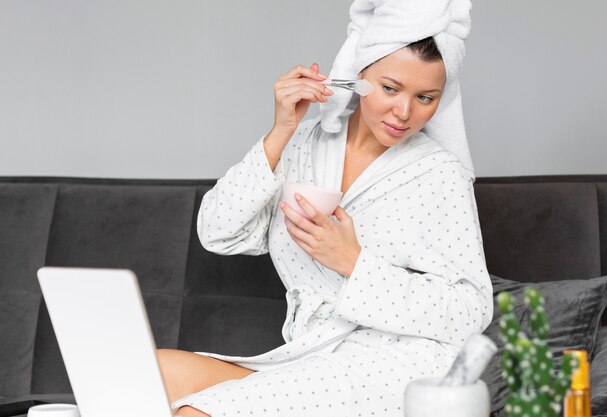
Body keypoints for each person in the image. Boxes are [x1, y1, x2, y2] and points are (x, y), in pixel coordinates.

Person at [158, 1, 492, 415]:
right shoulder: (305, 145)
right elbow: (218, 232)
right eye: (390, 88)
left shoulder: (438, 174)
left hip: (397, 365)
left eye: (425, 97)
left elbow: (471, 312)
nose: (404, 112)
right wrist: (283, 129)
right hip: (312, 357)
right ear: (359, 77)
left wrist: (354, 262)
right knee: (144, 374)